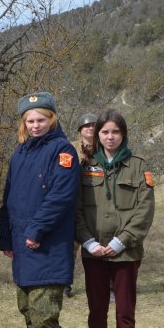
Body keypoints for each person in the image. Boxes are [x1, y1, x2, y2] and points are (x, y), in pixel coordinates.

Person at [0, 92, 80, 328]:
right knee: (27, 306)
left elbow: (61, 198)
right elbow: (8, 200)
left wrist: (36, 231)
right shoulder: (20, 153)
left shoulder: (63, 151)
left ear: (52, 119)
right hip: (21, 245)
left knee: (45, 308)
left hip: (48, 245)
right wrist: (6, 237)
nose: (35, 125)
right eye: (30, 120)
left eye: (41, 119)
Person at [76, 109, 155, 328]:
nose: (110, 137)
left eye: (115, 132)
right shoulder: (84, 165)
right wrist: (89, 242)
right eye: (105, 132)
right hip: (94, 251)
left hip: (126, 252)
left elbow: (144, 211)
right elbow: (76, 209)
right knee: (96, 310)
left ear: (123, 135)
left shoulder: (137, 166)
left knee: (124, 310)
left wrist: (121, 241)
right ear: (96, 135)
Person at [67, 112, 98, 299]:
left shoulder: (104, 148)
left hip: (95, 201)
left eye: (94, 125)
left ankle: (99, 285)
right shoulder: (70, 147)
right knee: (71, 247)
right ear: (80, 130)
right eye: (86, 126)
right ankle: (66, 283)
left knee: (97, 245)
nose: (90, 129)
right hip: (74, 202)